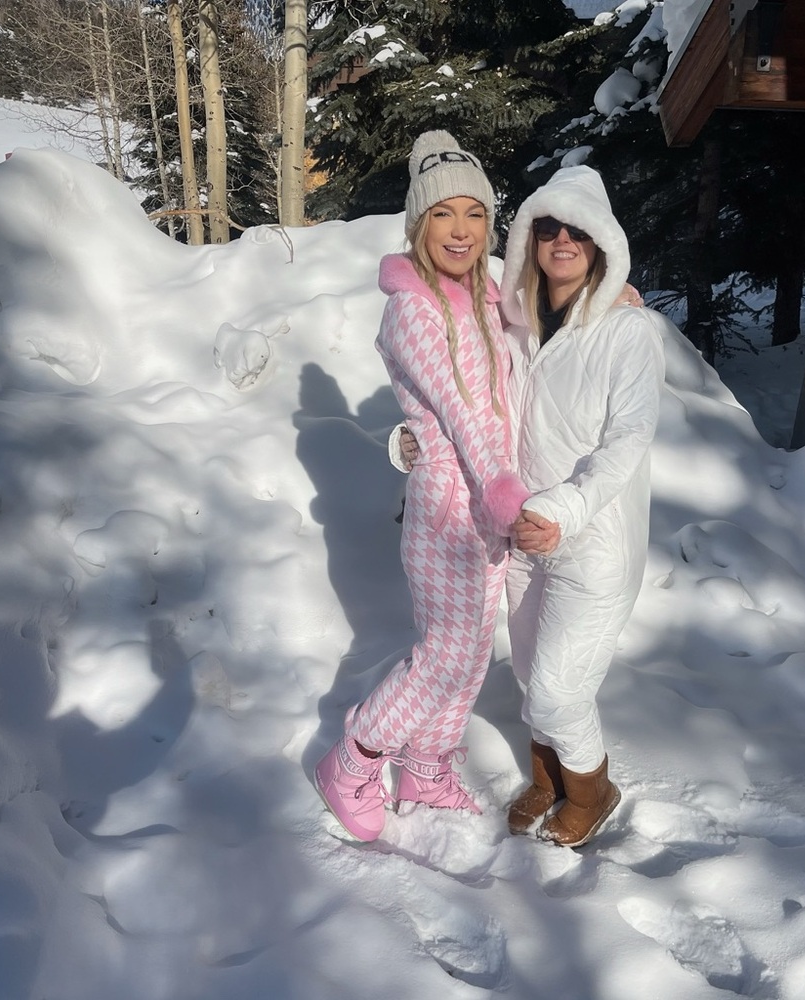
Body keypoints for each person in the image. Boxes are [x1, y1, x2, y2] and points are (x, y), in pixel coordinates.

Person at [314, 131, 532, 842]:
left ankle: (426, 769)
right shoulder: (412, 308)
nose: (462, 229)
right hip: (450, 511)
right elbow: (465, 413)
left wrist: (610, 288)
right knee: (442, 658)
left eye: (474, 212)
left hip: (488, 508)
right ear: (418, 224)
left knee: (469, 657)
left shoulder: (484, 294)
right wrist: (502, 489)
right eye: (444, 214)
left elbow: (531, 350)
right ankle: (352, 761)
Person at [500, 165, 666, 847]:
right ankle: (549, 778)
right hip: (522, 537)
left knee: (560, 691)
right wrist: (412, 441)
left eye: (578, 229)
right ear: (529, 238)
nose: (562, 239)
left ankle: (592, 790)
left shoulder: (628, 332)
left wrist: (564, 509)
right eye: (548, 226)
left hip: (592, 542)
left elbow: (629, 441)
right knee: (527, 671)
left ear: (601, 242)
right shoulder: (513, 324)